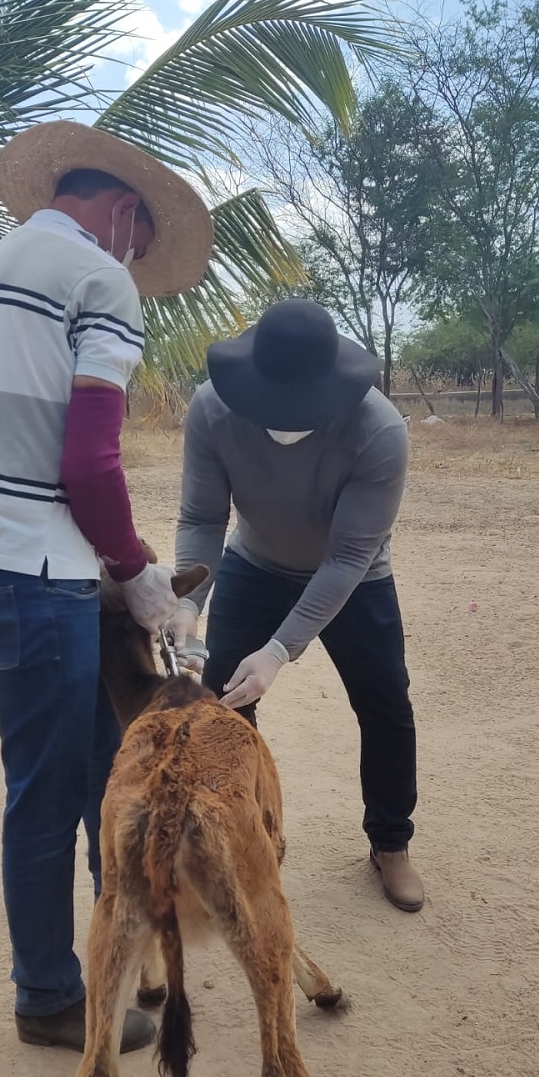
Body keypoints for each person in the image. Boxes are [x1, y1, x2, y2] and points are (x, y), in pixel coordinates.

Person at [0, 120, 213, 1052]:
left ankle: (116, 954)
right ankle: (48, 997)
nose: (138, 256)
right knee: (52, 793)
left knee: (101, 768)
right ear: (124, 213)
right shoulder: (99, 280)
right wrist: (139, 577)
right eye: (142, 240)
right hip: (35, 565)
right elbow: (90, 464)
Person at [168, 298, 424, 912]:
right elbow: (202, 517)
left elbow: (347, 558)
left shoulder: (379, 431)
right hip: (255, 565)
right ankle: (245, 837)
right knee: (225, 705)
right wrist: (188, 604)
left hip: (354, 579)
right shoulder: (211, 409)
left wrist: (280, 650)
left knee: (386, 702)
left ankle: (390, 843)